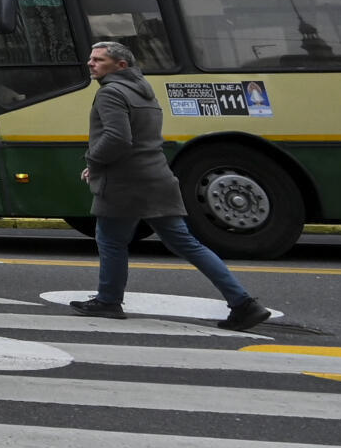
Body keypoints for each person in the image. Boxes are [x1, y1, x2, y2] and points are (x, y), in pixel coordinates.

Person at [71, 41, 271, 330]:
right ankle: (244, 303)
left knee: (112, 240)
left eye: (99, 60)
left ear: (120, 65)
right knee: (186, 243)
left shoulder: (111, 93)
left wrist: (93, 159)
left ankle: (109, 301)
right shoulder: (144, 91)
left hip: (125, 183)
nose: (91, 63)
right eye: (91, 58)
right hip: (157, 177)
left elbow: (118, 139)